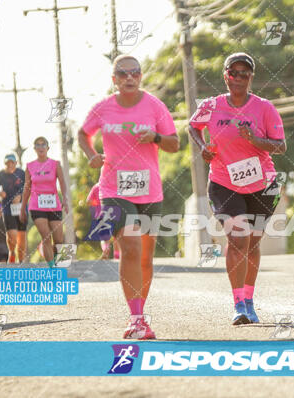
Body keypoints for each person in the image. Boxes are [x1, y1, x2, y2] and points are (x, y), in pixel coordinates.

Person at [78, 54, 179, 339]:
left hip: (150, 191)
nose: (129, 78)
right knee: (132, 247)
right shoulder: (103, 109)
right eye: (122, 74)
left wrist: (156, 138)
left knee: (146, 258)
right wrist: (91, 155)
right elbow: (82, 134)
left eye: (134, 72)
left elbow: (174, 143)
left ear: (141, 76)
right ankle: (136, 318)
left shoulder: (155, 106)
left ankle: (140, 312)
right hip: (113, 188)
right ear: (114, 80)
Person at [188, 52, 286, 325]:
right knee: (238, 238)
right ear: (225, 75)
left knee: (253, 242)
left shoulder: (264, 108)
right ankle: (239, 304)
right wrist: (203, 148)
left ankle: (250, 300)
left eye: (245, 73)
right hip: (223, 182)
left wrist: (255, 139)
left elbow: (280, 146)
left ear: (251, 77)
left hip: (262, 185)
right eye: (234, 72)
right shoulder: (211, 105)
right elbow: (192, 126)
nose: (239, 78)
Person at [20, 136, 68, 268]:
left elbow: (62, 183)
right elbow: (26, 188)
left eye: (43, 144)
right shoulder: (30, 166)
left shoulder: (55, 164)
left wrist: (65, 199)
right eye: (38, 145)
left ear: (48, 147)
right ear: (35, 149)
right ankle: (52, 268)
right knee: (46, 236)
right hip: (36, 205)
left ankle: (62, 265)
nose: (41, 147)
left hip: (54, 205)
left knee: (59, 239)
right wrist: (22, 208)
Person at [0, 153, 27, 263]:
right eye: (7, 163)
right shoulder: (1, 175)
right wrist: (0, 193)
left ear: (15, 163)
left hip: (21, 208)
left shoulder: (21, 173)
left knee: (22, 237)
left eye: (12, 163)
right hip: (8, 208)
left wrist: (21, 196)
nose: (10, 165)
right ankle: (12, 252)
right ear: (5, 164)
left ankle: (21, 260)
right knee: (12, 235)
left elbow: (28, 187)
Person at [87, 182, 118, 260]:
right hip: (114, 213)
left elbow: (88, 201)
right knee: (116, 236)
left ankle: (105, 250)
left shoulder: (96, 187)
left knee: (104, 238)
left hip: (100, 215)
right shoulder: (112, 184)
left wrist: (96, 205)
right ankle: (117, 256)